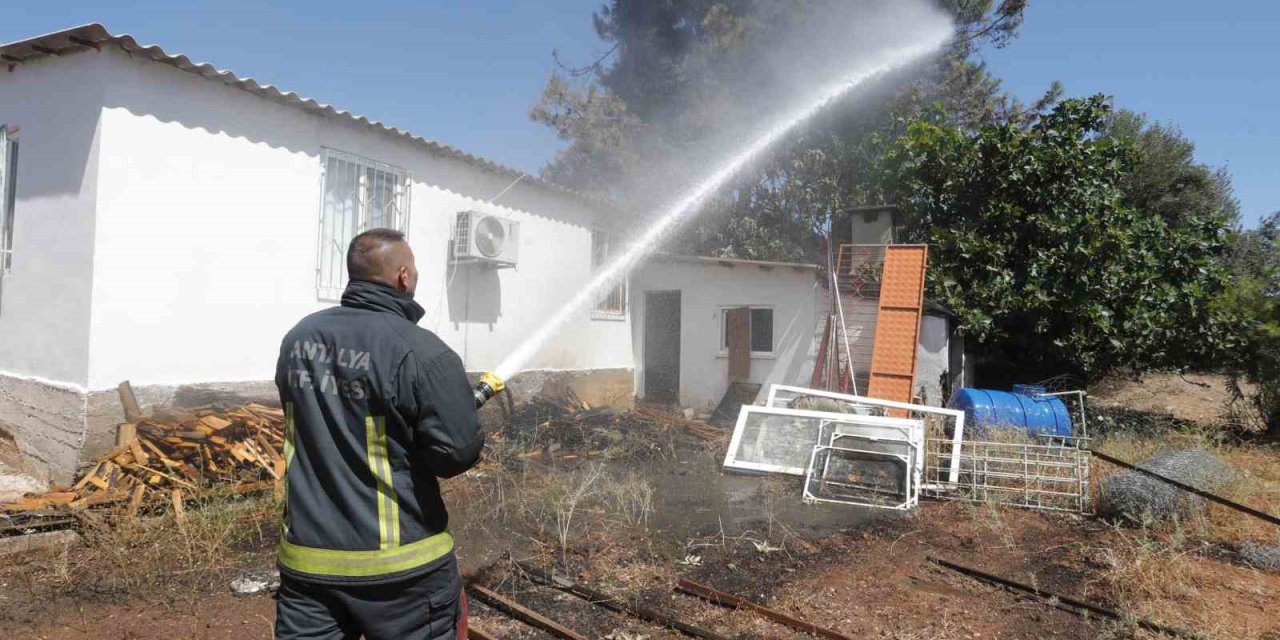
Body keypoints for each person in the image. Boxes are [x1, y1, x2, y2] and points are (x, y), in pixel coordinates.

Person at [273, 228, 483, 640]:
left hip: (308, 566)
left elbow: (332, 413)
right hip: (403, 573)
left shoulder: (298, 338)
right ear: (404, 276)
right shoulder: (421, 351)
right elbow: (455, 454)